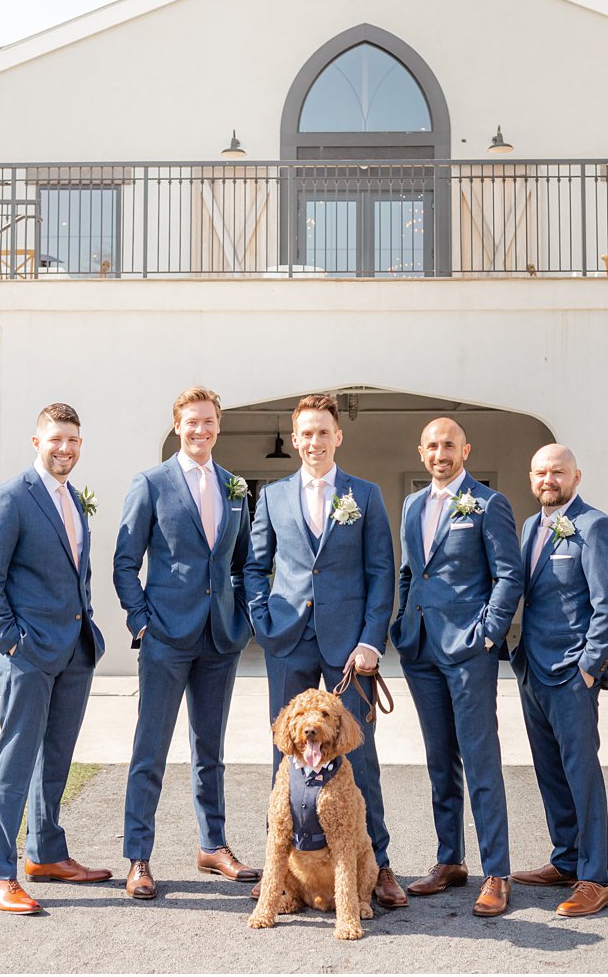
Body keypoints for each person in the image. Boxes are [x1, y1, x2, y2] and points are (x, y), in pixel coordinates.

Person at [243, 394, 408, 909]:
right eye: (306, 434)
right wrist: (265, 623)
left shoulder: (367, 494)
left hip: (349, 652)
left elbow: (382, 572)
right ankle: (282, 871)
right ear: (295, 440)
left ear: (338, 437)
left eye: (323, 433)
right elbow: (254, 566)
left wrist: (369, 641)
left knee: (360, 756)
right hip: (288, 639)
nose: (314, 442)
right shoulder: (271, 496)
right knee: (285, 756)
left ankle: (376, 864)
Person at [113, 387, 258, 900]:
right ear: (178, 426)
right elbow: (125, 563)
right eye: (192, 422)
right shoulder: (150, 483)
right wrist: (141, 622)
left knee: (210, 749)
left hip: (220, 638)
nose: (201, 430)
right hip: (165, 638)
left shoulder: (235, 487)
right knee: (149, 750)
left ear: (219, 426)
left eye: (209, 422)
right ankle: (138, 857)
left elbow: (243, 563)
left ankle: (212, 844)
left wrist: (241, 617)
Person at [0, 402, 111, 915]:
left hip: (74, 651)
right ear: (37, 442)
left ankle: (46, 853)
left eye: (73, 440)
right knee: (15, 761)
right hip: (28, 654)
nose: (65, 448)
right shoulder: (9, 499)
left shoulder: (73, 499)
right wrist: (11, 642)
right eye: (56, 440)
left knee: (56, 759)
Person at [390, 417, 522, 917]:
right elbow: (409, 571)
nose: (440, 453)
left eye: (449, 445)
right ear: (421, 452)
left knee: (480, 759)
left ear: (465, 451)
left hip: (470, 651)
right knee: (439, 760)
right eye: (432, 446)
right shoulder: (411, 504)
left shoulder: (489, 504)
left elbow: (509, 575)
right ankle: (450, 860)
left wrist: (488, 632)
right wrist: (403, 625)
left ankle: (497, 873)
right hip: (420, 649)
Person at [508, 444, 608, 918]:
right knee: (549, 770)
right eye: (540, 472)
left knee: (581, 772)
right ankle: (566, 858)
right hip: (532, 668)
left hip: (573, 672)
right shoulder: (530, 526)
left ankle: (596, 877)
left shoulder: (596, 527)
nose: (548, 479)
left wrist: (589, 665)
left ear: (576, 476)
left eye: (558, 471)